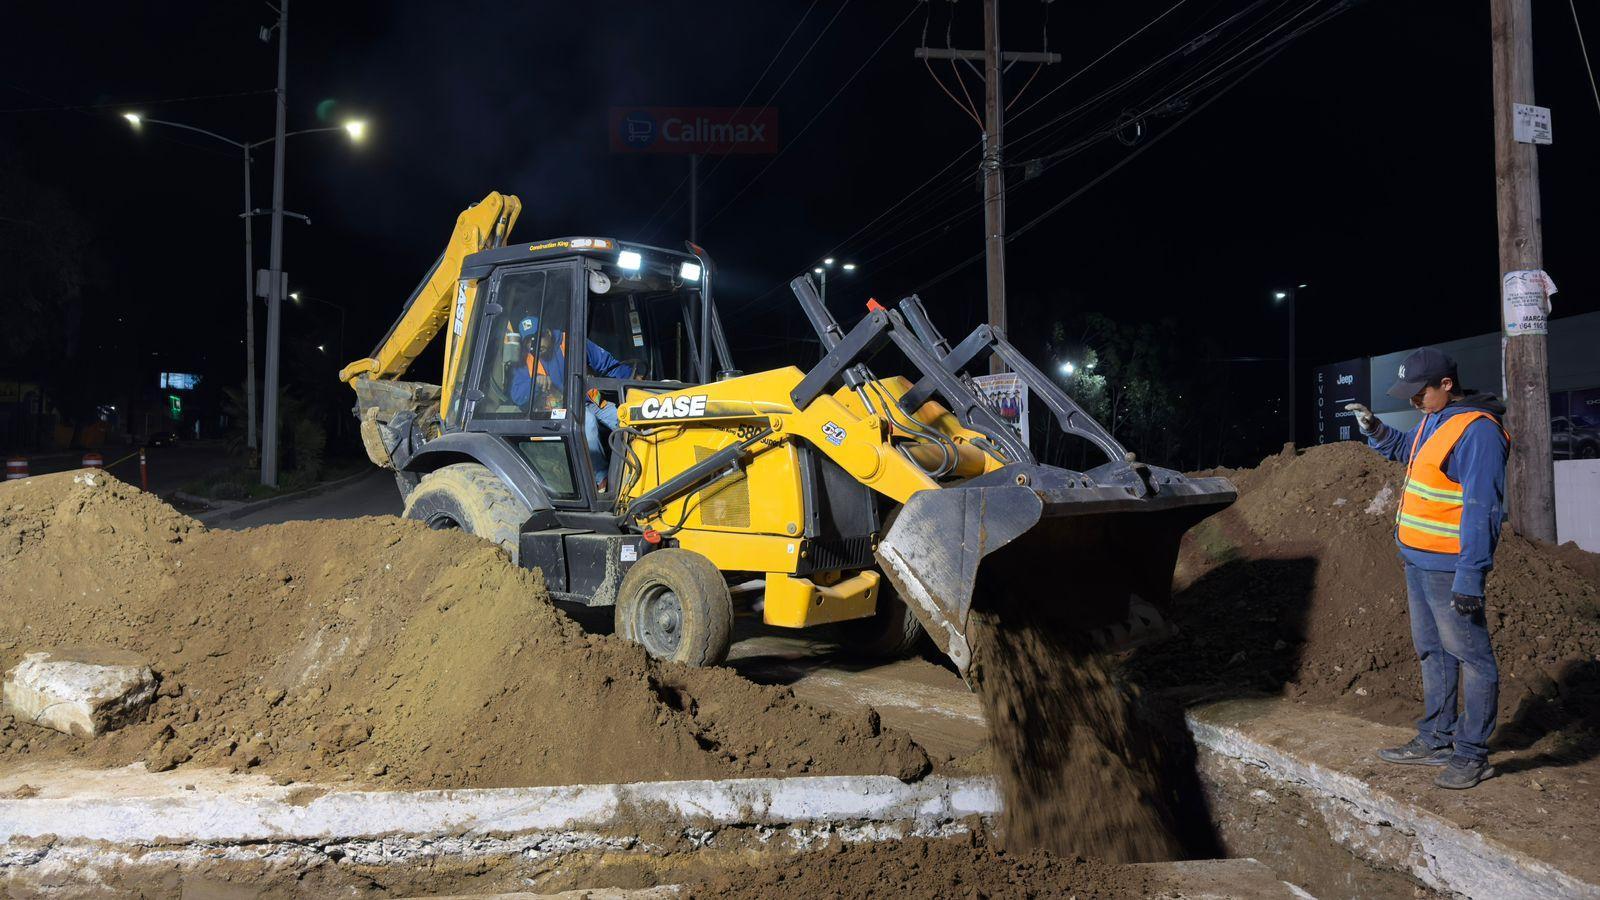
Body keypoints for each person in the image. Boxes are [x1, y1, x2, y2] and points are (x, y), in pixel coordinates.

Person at [1344, 347, 1508, 790]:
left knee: (1472, 659)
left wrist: (1470, 575)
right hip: (1417, 561)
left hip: (1450, 568)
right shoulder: (1434, 419)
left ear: (1447, 385)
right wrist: (1376, 429)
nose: (1414, 401)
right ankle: (1436, 738)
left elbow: (1482, 509)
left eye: (1420, 393)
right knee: (1432, 651)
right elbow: (1409, 453)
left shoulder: (1478, 432)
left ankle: (1472, 754)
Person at [510, 315, 633, 491]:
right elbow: (517, 396)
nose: (533, 346)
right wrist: (534, 383)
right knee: (587, 423)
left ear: (548, 333)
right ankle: (602, 479)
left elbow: (605, 364)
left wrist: (632, 378)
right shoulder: (525, 361)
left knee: (625, 417)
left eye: (537, 338)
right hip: (559, 410)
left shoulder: (571, 341)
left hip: (590, 400)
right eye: (528, 342)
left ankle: (639, 465)